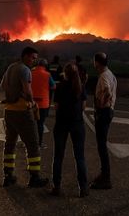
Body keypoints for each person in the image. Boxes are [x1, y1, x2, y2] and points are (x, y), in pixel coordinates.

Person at [0, 46, 49, 187]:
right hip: (22, 111)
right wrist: (31, 102)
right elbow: (28, 91)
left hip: (9, 110)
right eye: (33, 58)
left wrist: (13, 94)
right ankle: (34, 177)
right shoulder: (25, 70)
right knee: (33, 144)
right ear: (26, 56)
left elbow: (2, 85)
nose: (34, 61)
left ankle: (8, 175)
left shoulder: (11, 67)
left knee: (10, 144)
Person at [50, 62, 89, 197]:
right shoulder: (80, 87)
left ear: (65, 73)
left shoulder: (60, 87)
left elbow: (56, 106)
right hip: (77, 124)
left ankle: (56, 187)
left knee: (58, 156)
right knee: (80, 157)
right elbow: (83, 107)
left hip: (61, 124)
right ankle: (83, 188)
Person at [91, 52, 117, 190]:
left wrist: (101, 105)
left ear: (97, 62)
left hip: (104, 112)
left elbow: (107, 90)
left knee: (101, 146)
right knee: (102, 144)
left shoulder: (103, 76)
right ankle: (103, 174)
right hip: (109, 111)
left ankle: (106, 178)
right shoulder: (110, 74)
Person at [31, 58, 56, 149]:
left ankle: (28, 142)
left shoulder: (31, 73)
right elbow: (53, 86)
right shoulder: (47, 75)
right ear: (45, 66)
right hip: (43, 103)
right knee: (40, 124)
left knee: (30, 123)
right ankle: (39, 143)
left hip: (31, 102)